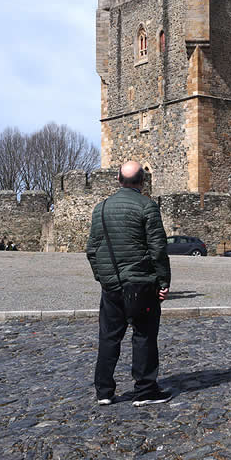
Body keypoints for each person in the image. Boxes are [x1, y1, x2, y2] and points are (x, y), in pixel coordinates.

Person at [85, 161, 172, 406]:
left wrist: (103, 277)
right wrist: (163, 281)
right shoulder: (148, 207)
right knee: (143, 336)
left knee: (109, 337)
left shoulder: (100, 209)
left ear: (118, 179)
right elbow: (158, 249)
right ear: (142, 182)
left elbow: (92, 249)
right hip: (142, 284)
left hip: (112, 286)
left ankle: (104, 391)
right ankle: (145, 390)